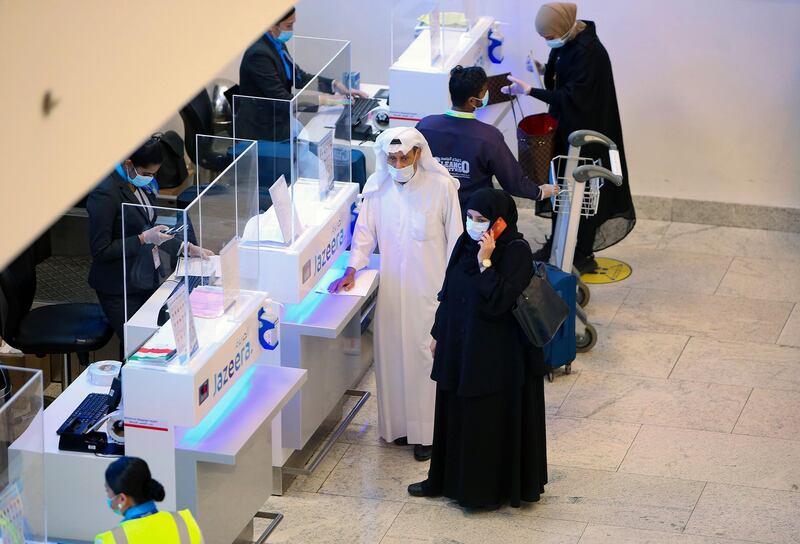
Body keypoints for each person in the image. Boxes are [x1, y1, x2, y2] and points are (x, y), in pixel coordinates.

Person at [408, 188, 548, 509]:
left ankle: (482, 491)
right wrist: (438, 333)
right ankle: (442, 480)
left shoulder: (516, 252)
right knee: (452, 416)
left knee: (484, 422)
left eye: (481, 220)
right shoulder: (463, 243)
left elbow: (500, 301)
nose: (474, 225)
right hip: (460, 347)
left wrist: (485, 262)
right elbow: (448, 291)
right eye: (470, 218)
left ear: (500, 222)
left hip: (494, 357)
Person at [328, 127, 462, 461]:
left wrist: (453, 292)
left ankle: (428, 433)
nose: (398, 163)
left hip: (430, 293)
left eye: (404, 157)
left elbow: (456, 241)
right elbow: (364, 234)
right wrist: (352, 269)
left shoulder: (441, 188)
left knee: (423, 358)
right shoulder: (378, 188)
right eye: (392, 157)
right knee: (391, 357)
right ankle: (399, 427)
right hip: (392, 293)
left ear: (419, 154)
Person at [502, 2, 635, 273]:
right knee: (561, 188)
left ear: (562, 29)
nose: (547, 42)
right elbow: (564, 82)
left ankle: (581, 253)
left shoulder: (590, 53)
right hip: (567, 129)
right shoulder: (568, 44)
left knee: (582, 193)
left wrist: (529, 91)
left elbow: (572, 96)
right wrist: (544, 70)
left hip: (587, 134)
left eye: (549, 38)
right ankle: (559, 245)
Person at [87, 136, 210, 345]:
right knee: (139, 346)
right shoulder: (105, 194)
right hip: (118, 287)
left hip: (144, 276)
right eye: (146, 173)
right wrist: (142, 239)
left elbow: (152, 228)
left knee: (161, 338)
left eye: (154, 174)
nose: (150, 178)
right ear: (128, 165)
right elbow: (101, 250)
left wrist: (185, 247)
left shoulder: (143, 184)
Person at [417, 65, 558, 213]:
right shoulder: (489, 136)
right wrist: (539, 192)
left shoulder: (425, 126)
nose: (487, 94)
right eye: (484, 91)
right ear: (473, 101)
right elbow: (513, 182)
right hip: (472, 215)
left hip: (432, 210)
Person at [238, 7, 367, 141]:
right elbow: (283, 100)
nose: (291, 30)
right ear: (272, 25)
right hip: (261, 131)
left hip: (279, 121)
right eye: (289, 25)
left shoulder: (276, 43)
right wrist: (327, 101)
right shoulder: (259, 55)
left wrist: (335, 85)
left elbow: (299, 77)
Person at [95, 456, 204, 543]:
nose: (108, 497)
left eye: (108, 491)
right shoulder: (184, 522)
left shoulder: (109, 540)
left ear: (122, 499)